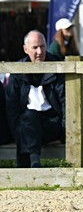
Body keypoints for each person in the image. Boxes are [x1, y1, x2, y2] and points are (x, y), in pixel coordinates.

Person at [5, 31, 67, 167]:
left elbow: (66, 103)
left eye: (42, 46)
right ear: (25, 49)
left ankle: (32, 165)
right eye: (35, 47)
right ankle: (35, 163)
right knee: (29, 117)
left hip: (53, 123)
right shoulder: (17, 71)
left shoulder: (57, 67)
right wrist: (16, 132)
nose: (39, 51)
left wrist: (65, 131)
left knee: (30, 121)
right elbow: (11, 107)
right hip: (28, 124)